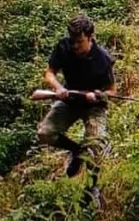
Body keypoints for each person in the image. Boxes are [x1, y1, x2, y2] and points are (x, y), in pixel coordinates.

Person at [38, 14, 116, 204]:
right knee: (45, 133)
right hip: (70, 101)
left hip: (94, 106)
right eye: (73, 41)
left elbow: (112, 91)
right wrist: (58, 88)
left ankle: (91, 189)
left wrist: (98, 95)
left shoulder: (103, 59)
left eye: (79, 42)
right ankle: (76, 151)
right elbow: (49, 73)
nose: (75, 46)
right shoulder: (64, 47)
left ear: (90, 37)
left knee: (94, 144)